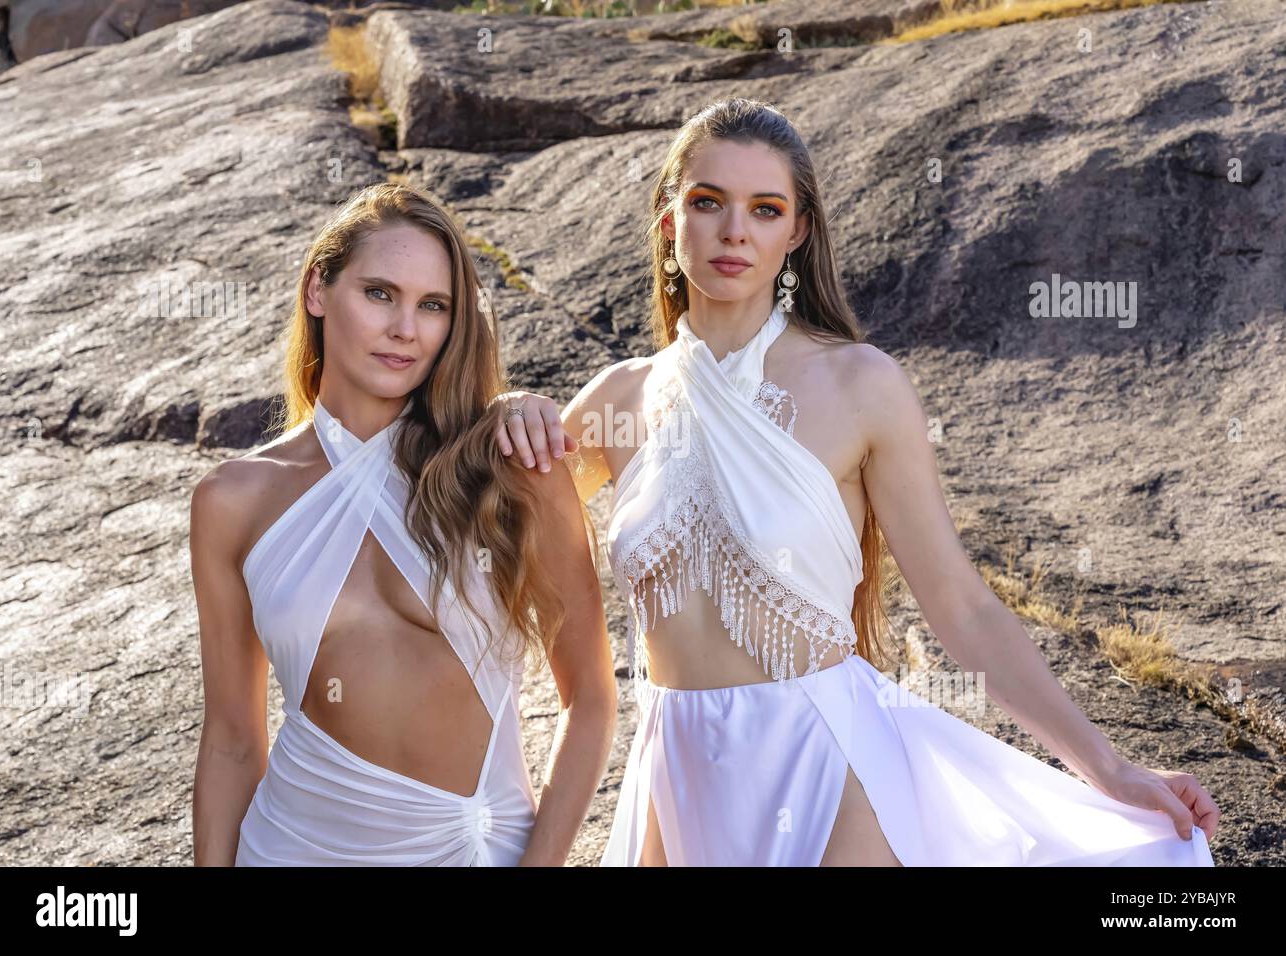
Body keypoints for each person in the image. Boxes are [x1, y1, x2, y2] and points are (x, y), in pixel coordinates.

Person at [494, 97, 1218, 866]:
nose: (735, 231)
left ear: (796, 232)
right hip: (676, 769)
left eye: (765, 209)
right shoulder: (617, 399)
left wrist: (1108, 768)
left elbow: (963, 607)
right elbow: (487, 543)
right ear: (671, 221)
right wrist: (509, 412)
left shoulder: (860, 384)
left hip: (829, 762)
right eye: (708, 203)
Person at [189, 183, 616, 866]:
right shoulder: (233, 499)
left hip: (472, 848)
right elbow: (232, 740)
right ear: (318, 292)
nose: (405, 329)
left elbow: (592, 700)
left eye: (433, 306)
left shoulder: (509, 467)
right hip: (289, 848)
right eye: (380, 294)